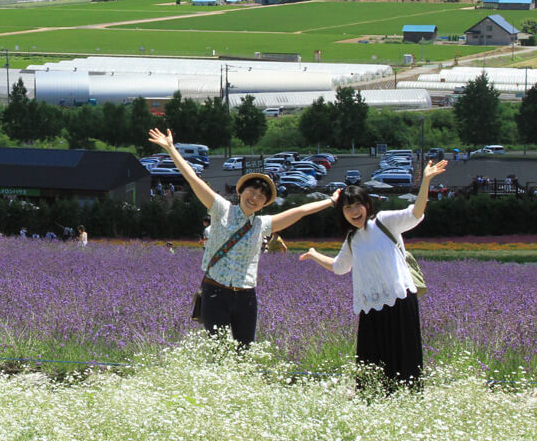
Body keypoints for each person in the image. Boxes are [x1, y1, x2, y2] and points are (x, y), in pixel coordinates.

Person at [148, 127, 336, 346]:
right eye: (251, 191)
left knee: (244, 349)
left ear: (265, 204)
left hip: (246, 296)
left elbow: (301, 211)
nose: (255, 197)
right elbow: (192, 178)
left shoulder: (262, 224)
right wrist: (171, 148)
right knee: (217, 350)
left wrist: (331, 201)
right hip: (215, 291)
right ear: (241, 191)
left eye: (261, 196)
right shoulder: (221, 209)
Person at [299, 159, 449, 391]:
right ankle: (374, 400)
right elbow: (340, 266)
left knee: (404, 357)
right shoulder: (352, 240)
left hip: (399, 300)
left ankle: (409, 400)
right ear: (342, 213)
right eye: (347, 208)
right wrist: (315, 254)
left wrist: (426, 181)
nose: (353, 211)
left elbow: (416, 213)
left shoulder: (384, 221)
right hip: (370, 307)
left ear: (367, 205)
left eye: (357, 205)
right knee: (372, 362)